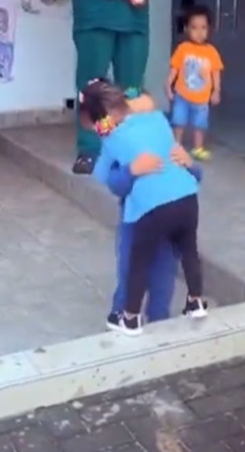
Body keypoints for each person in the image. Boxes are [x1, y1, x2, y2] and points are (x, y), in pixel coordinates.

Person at [80, 79, 207, 335]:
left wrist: (190, 162)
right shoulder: (116, 140)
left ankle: (155, 322)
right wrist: (132, 171)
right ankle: (124, 318)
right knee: (131, 271)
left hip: (161, 216)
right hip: (137, 220)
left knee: (163, 277)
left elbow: (191, 172)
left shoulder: (155, 124)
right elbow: (112, 182)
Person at [71, 0, 160, 175]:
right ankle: (90, 150)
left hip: (133, 17)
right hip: (95, 12)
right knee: (92, 87)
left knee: (132, 88)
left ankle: (128, 148)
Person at [166, 4, 223, 160]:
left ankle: (198, 148)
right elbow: (175, 69)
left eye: (203, 28)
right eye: (194, 27)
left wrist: (216, 91)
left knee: (200, 125)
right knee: (178, 121)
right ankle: (176, 145)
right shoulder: (183, 48)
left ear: (209, 29)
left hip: (202, 99)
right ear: (186, 29)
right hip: (182, 95)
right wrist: (168, 86)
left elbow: (215, 72)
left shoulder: (211, 52)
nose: (199, 32)